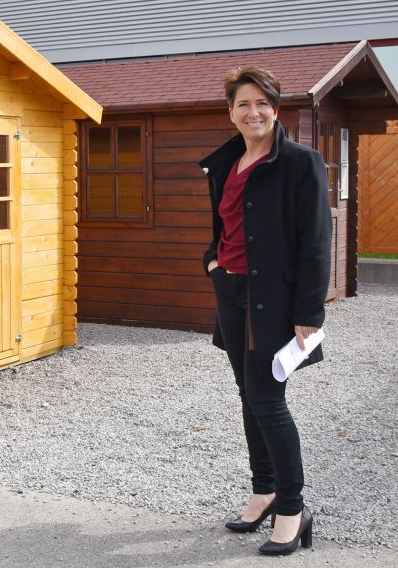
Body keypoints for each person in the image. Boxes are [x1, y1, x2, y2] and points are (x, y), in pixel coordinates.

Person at [199, 66, 331, 556]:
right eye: (242, 104)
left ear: (276, 108)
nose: (252, 112)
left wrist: (309, 313)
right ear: (230, 113)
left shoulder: (301, 162)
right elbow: (225, 227)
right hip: (230, 294)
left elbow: (316, 242)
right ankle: (265, 490)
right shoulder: (227, 163)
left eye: (261, 103)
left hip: (273, 300)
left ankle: (293, 510)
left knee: (268, 399)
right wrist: (212, 262)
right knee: (247, 394)